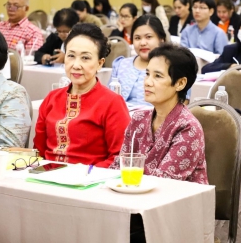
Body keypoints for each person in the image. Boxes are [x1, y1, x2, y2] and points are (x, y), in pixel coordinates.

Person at [34, 24, 130, 167]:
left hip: (91, 182)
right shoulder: (52, 98)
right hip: (45, 178)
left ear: (99, 63)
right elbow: (38, 151)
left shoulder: (112, 102)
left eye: (85, 58)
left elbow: (119, 157)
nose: (76, 65)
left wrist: (85, 176)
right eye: (71, 56)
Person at [110, 43, 208, 184]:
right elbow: (118, 168)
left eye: (158, 76)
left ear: (180, 83)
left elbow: (165, 183)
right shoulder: (138, 119)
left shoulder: (188, 128)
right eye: (147, 74)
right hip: (135, 195)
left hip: (177, 202)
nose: (147, 82)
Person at [110, 15, 166, 108]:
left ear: (161, 40)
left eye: (148, 37)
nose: (142, 43)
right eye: (137, 38)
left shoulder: (172, 67)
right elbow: (109, 99)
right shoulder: (120, 64)